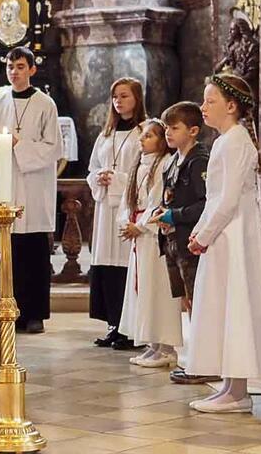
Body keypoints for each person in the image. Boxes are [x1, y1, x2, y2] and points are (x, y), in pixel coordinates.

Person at [185, 73, 261, 413]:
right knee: (223, 306)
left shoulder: (236, 141)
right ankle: (230, 385)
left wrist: (204, 234)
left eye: (210, 101)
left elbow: (227, 200)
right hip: (223, 234)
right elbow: (215, 198)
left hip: (233, 235)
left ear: (231, 106)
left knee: (235, 305)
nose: (203, 107)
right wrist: (201, 230)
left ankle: (238, 390)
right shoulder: (226, 140)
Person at [0, 46, 64, 333]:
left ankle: (34, 314)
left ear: (32, 69)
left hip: (33, 187)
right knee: (3, 252)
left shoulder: (45, 105)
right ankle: (1, 308)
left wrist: (20, 145)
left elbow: (54, 148)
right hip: (3, 184)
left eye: (19, 66)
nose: (14, 72)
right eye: (10, 67)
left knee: (32, 253)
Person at [150, 102, 217, 385]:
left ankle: (207, 361)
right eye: (166, 127)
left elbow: (205, 203)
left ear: (193, 131)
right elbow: (170, 196)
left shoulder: (198, 160)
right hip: (175, 240)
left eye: (174, 128)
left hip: (191, 240)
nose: (167, 133)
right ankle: (196, 359)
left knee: (199, 302)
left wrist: (174, 216)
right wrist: (162, 215)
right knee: (188, 301)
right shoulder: (175, 159)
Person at [117, 119, 182, 368]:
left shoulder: (165, 163)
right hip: (139, 236)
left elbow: (158, 199)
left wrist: (142, 225)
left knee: (159, 290)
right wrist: (126, 220)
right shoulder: (139, 164)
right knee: (144, 290)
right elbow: (128, 197)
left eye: (149, 136)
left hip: (154, 235)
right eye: (142, 136)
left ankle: (166, 347)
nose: (142, 140)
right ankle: (153, 343)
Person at [86, 77, 145, 349]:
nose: (118, 101)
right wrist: (99, 177)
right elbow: (92, 167)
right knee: (107, 267)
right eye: (115, 97)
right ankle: (113, 324)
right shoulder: (106, 133)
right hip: (105, 209)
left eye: (124, 96)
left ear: (137, 99)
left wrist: (119, 179)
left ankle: (131, 329)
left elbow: (146, 170)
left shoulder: (144, 130)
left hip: (127, 207)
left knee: (125, 267)